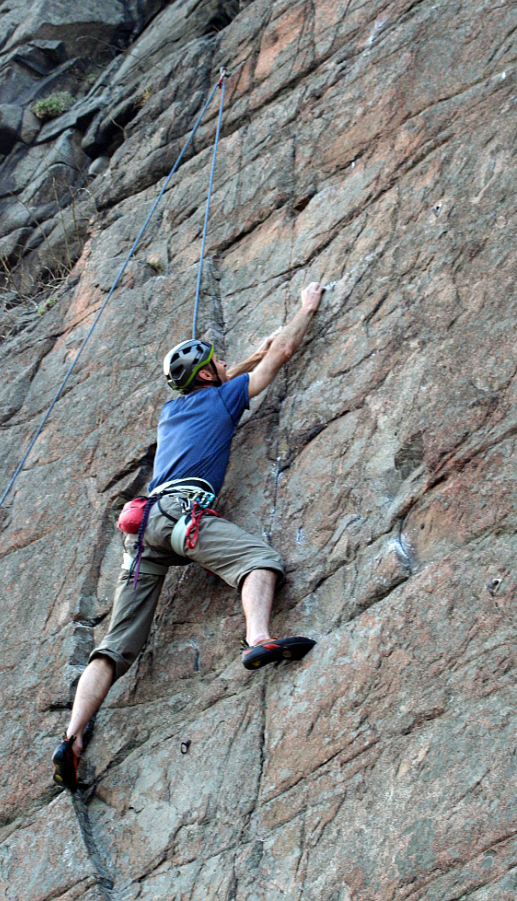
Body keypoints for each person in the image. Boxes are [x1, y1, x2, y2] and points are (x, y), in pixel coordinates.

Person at [52, 281, 325, 792]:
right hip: (180, 514)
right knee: (259, 562)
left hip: (141, 529)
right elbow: (283, 353)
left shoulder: (172, 411)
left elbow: (230, 376)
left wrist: (251, 355)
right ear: (207, 375)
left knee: (114, 646)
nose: (225, 366)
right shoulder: (221, 399)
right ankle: (258, 640)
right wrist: (305, 310)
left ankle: (72, 738)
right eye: (217, 363)